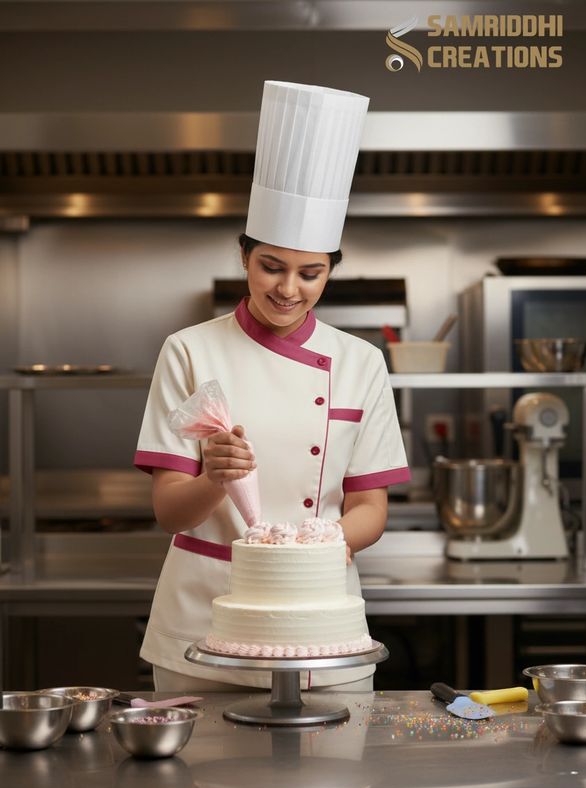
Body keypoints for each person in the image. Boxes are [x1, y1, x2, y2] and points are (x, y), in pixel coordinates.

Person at [134, 81, 410, 692]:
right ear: (244, 258)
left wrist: (314, 550)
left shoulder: (361, 361)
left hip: (321, 623)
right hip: (202, 625)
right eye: (271, 266)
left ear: (332, 270)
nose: (289, 288)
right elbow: (167, 511)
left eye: (311, 273)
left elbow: (370, 508)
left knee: (331, 786)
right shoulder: (190, 349)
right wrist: (215, 478)